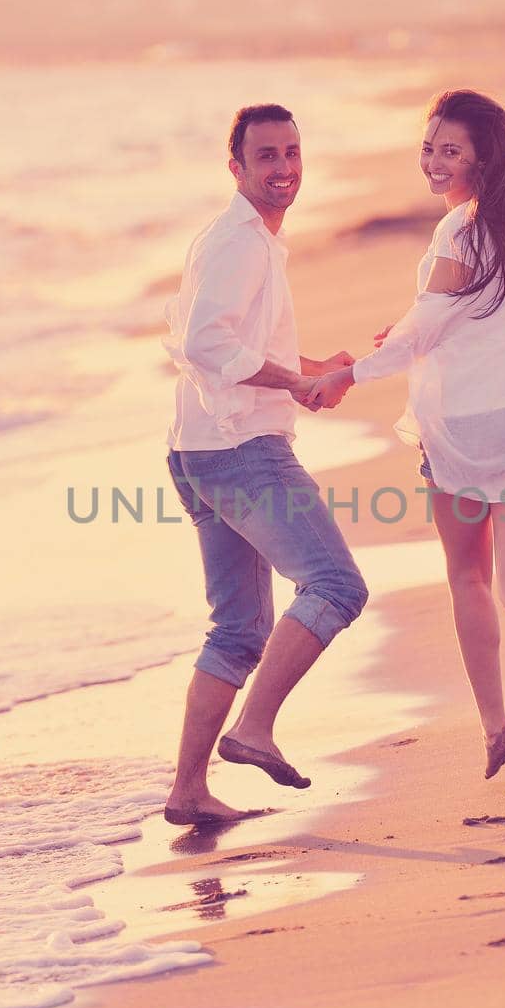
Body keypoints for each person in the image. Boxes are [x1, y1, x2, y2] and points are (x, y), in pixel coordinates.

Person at [307, 89, 505, 779]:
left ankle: (495, 728)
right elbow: (453, 317)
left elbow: (427, 330)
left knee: (468, 574)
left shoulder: (457, 232)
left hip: (466, 428)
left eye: (449, 150)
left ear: (480, 158)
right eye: (428, 147)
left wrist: (351, 375)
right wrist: (407, 329)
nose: (433, 161)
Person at [160, 104, 369, 826]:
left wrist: (311, 373)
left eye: (292, 154)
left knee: (239, 630)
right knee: (336, 585)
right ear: (237, 169)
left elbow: (220, 345)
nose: (284, 169)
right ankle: (252, 731)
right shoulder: (239, 243)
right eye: (267, 157)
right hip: (242, 453)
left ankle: (187, 792)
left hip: (201, 450)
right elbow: (203, 343)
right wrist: (293, 385)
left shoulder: (238, 240)